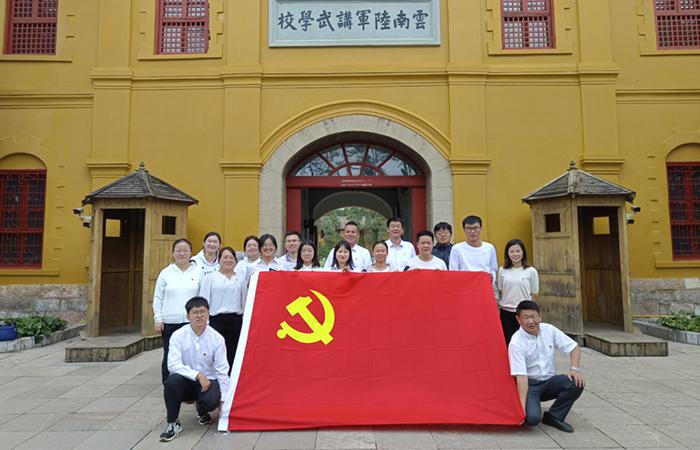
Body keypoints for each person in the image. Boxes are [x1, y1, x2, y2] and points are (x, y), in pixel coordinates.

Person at [160, 297, 229, 442]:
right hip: (186, 381)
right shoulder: (178, 336)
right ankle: (172, 423)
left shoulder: (217, 338)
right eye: (195, 312)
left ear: (208, 314)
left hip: (208, 382)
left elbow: (222, 370)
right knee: (172, 381)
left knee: (211, 400)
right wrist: (198, 375)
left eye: (202, 312)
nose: (199, 316)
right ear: (188, 316)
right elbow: (172, 364)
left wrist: (224, 403)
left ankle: (202, 411)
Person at [508, 301, 585, 433]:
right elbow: (521, 378)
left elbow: (574, 347)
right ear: (518, 319)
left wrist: (574, 369)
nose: (531, 321)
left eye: (534, 316)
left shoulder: (549, 330)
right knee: (532, 419)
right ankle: (529, 405)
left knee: (576, 382)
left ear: (540, 316)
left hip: (549, 382)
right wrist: (521, 409)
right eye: (525, 317)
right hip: (530, 385)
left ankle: (554, 416)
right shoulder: (516, 343)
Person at [153, 238, 203, 384]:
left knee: (192, 356)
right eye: (178, 251)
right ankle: (169, 387)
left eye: (185, 250)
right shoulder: (165, 273)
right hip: (171, 322)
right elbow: (158, 297)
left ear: (190, 253)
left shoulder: (199, 272)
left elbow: (203, 298)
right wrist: (158, 319)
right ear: (173, 253)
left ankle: (191, 387)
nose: (182, 253)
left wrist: (203, 320)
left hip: (192, 323)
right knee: (170, 356)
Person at [199, 247, 246, 372]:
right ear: (219, 260)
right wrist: (205, 321)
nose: (228, 260)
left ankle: (231, 379)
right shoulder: (210, 277)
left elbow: (244, 300)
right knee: (216, 353)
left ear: (235, 261)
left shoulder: (241, 278)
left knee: (233, 353)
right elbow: (204, 301)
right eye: (225, 257)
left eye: (231, 258)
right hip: (216, 320)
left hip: (236, 321)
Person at [498, 239, 539, 345]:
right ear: (507, 253)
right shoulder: (502, 270)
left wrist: (529, 312)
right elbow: (501, 289)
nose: (515, 254)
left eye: (518, 251)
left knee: (526, 342)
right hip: (506, 312)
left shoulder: (531, 271)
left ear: (523, 252)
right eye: (512, 251)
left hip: (524, 313)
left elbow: (534, 293)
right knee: (509, 342)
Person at [448, 215, 498, 283]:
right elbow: (453, 272)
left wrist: (491, 279)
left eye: (476, 228)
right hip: (465, 286)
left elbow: (493, 269)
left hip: (484, 285)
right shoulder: (457, 249)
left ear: (480, 228)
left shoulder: (489, 247)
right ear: (464, 230)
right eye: (469, 228)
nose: (473, 231)